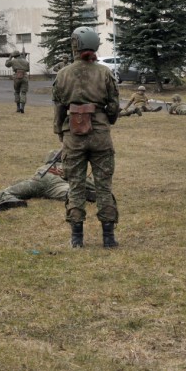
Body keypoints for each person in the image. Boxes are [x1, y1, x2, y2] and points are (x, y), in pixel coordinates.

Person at [52, 26, 120, 248]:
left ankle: (77, 238)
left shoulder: (63, 74)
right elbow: (114, 105)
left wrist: (60, 132)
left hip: (73, 134)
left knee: (75, 185)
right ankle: (108, 238)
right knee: (104, 186)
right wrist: (106, 121)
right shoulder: (105, 72)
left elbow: (59, 108)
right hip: (100, 134)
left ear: (75, 45)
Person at [0, 150, 96, 212]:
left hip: (39, 180)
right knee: (70, 191)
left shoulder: (44, 167)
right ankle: (78, 194)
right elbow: (90, 183)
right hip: (58, 184)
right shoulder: (66, 168)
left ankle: (11, 199)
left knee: (2, 192)